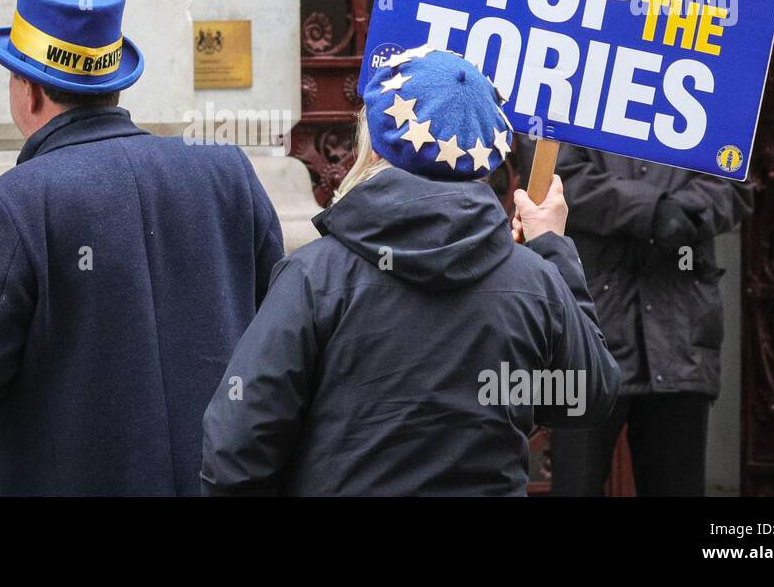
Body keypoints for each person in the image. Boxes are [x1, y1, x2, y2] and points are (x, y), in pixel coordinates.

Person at [0, 0, 284, 496]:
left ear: (27, 92)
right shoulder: (226, 171)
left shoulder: (13, 201)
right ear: (114, 84)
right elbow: (276, 334)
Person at [199, 48, 620, 496]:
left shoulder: (315, 276)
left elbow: (237, 449)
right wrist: (552, 249)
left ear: (375, 144)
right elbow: (587, 395)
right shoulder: (534, 280)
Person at [538, 143, 754, 496]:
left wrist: (685, 212)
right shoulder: (577, 90)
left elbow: (735, 180)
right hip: (590, 333)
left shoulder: (714, 90)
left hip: (679, 332)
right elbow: (555, 178)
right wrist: (651, 211)